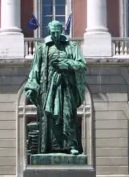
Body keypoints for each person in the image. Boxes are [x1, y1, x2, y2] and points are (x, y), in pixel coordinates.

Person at [24, 20, 87, 155]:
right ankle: (48, 148)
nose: (55, 35)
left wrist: (67, 64)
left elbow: (82, 65)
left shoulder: (71, 46)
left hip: (66, 86)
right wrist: (31, 85)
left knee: (67, 115)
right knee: (48, 117)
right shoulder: (42, 48)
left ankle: (71, 146)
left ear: (61, 31)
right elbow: (35, 68)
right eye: (53, 32)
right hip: (47, 88)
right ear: (49, 31)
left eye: (58, 32)